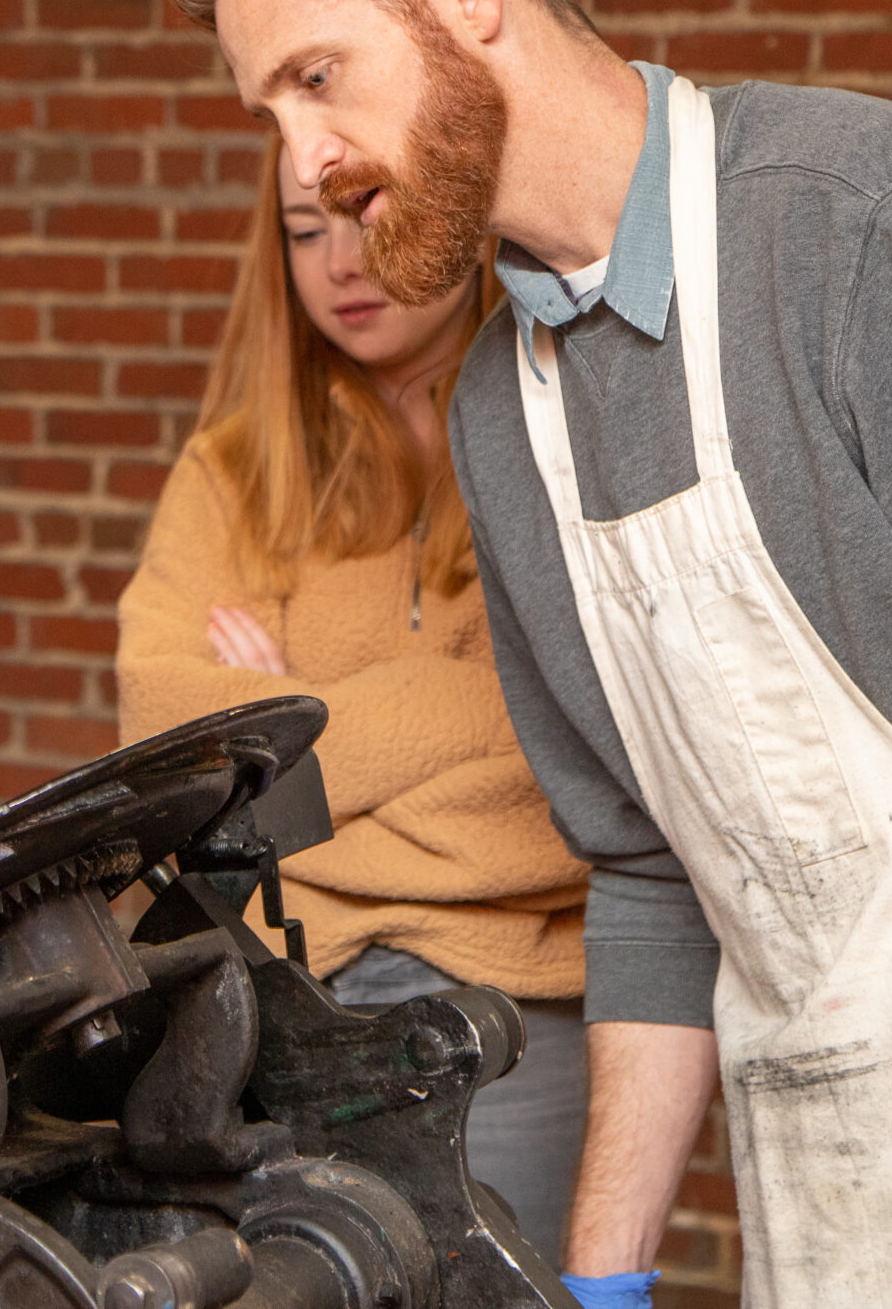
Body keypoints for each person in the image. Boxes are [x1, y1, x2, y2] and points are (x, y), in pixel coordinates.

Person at [165, 0, 892, 1309]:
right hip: (829, 1193)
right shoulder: (509, 414)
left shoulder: (887, 232)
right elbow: (649, 870)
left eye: (320, 78)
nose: (305, 165)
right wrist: (600, 1269)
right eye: (272, 114)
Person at [116, 141, 589, 1261]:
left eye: (364, 214)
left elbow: (560, 761)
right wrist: (446, 705)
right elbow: (159, 731)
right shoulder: (231, 470)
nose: (340, 262)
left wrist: (284, 709)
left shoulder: (568, 448)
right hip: (270, 1004)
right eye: (301, 228)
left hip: (509, 1018)